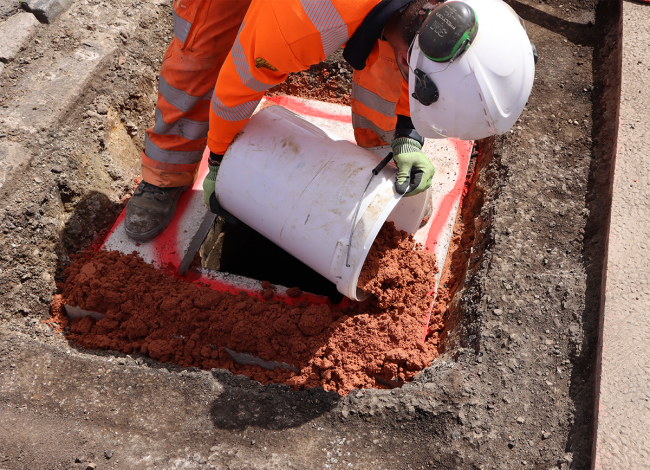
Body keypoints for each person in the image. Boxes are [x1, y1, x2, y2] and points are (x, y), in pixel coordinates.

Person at [124, 0, 535, 241]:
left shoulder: (454, 12)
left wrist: (406, 136)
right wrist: (218, 161)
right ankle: (165, 173)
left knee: (390, 44)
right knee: (201, 53)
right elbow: (235, 88)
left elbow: (414, 49)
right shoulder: (300, 25)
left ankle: (381, 148)